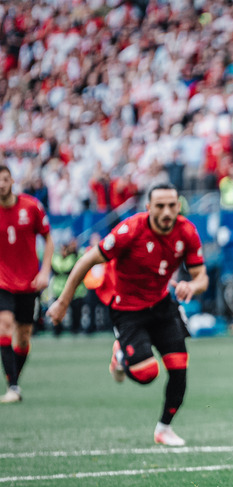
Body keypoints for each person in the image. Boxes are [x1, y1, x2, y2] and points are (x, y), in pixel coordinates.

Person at [47, 184, 208, 445]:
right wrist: (63, 302)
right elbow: (88, 260)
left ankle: (163, 429)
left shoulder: (187, 232)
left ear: (178, 206)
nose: (167, 211)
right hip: (127, 308)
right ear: (148, 208)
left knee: (179, 367)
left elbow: (202, 277)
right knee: (147, 374)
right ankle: (120, 355)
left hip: (161, 305)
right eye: (160, 206)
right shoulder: (130, 230)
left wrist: (193, 285)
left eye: (172, 205)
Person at [0, 164, 54, 403]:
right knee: (4, 325)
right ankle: (13, 387)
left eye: (4, 179)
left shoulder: (31, 207)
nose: (0, 184)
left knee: (23, 338)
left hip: (30, 281)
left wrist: (45, 271)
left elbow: (48, 239)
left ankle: (14, 380)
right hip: (2, 281)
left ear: (12, 181)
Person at [50, 238, 86, 336]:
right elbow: (62, 268)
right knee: (57, 311)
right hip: (59, 290)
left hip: (75, 291)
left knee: (76, 312)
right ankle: (57, 329)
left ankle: (75, 329)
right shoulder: (56, 257)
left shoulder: (77, 255)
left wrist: (74, 252)